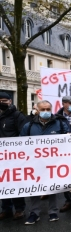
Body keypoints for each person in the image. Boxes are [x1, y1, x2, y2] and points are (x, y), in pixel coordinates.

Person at [20, 100, 70, 225]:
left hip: (54, 162)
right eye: (43, 109)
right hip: (35, 162)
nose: (46, 112)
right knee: (34, 187)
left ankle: (53, 211)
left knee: (52, 186)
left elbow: (68, 141)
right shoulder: (29, 125)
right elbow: (20, 144)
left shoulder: (60, 123)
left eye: (48, 109)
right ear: (37, 110)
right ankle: (34, 213)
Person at [0, 92, 27, 220]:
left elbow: (23, 134)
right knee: (2, 182)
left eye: (4, 100)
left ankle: (19, 208)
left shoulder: (17, 116)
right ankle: (6, 209)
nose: (2, 103)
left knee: (15, 182)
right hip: (1, 156)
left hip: (14, 155)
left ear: (10, 101)